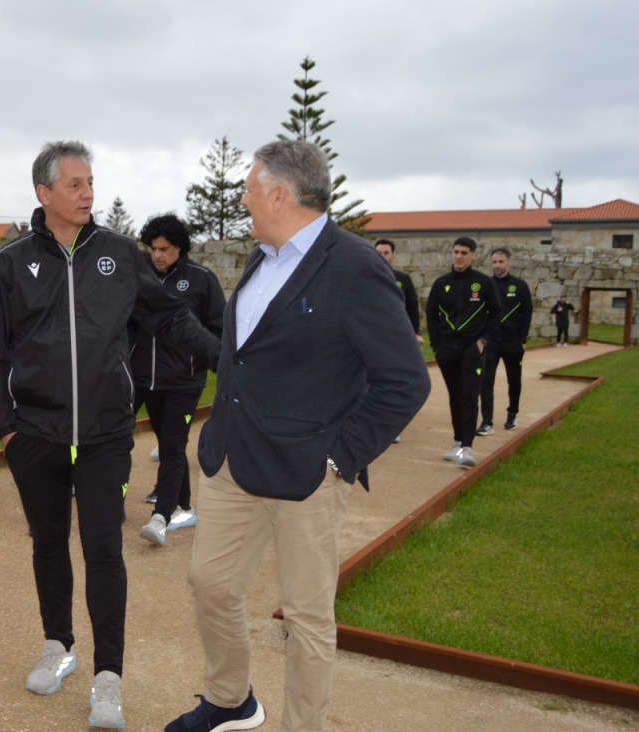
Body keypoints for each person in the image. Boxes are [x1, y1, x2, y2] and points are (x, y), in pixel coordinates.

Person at [167, 140, 430, 732]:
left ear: (280, 194)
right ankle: (231, 699)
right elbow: (246, 358)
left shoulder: (357, 267)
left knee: (308, 618)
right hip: (235, 461)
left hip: (310, 472)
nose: (243, 198)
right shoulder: (263, 256)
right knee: (209, 582)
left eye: (251, 188)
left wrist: (341, 456)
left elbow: (405, 380)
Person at [0, 140, 220, 730]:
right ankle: (58, 645)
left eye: (91, 182)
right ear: (45, 192)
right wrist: (5, 429)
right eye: (77, 184)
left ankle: (108, 676)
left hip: (107, 434)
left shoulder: (119, 254)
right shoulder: (9, 264)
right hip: (35, 435)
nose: (90, 193)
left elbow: (167, 318)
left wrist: (226, 356)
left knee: (104, 552)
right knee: (48, 545)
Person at [129, 213, 225, 547]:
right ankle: (184, 505)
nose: (156, 255)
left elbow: (219, 329)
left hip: (183, 383)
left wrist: (195, 361)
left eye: (163, 249)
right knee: (163, 442)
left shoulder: (202, 279)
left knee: (172, 445)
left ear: (179, 248)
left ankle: (161, 517)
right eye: (152, 248)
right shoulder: (141, 278)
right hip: (144, 380)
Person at [426, 236, 501, 468]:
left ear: (473, 255)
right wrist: (437, 347)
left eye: (464, 253)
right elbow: (430, 315)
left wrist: (483, 341)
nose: (459, 256)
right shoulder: (441, 283)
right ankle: (457, 442)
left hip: (472, 349)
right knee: (455, 397)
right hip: (447, 351)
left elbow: (496, 313)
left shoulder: (483, 283)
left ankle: (467, 447)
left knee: (470, 396)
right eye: (456, 252)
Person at [478, 247, 533, 433]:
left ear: (509, 262)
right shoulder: (486, 284)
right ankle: (487, 421)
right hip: (491, 341)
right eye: (494, 262)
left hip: (512, 341)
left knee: (514, 380)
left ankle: (512, 414)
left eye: (501, 262)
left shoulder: (519, 286)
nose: (497, 266)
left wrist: (522, 339)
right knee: (486, 381)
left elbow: (526, 313)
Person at [373, 239, 425, 346]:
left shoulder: (403, 279)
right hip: (375, 333)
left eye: (386, 253)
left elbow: (412, 307)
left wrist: (416, 332)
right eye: (379, 253)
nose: (382, 256)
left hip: (399, 332)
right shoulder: (367, 278)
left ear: (393, 256)